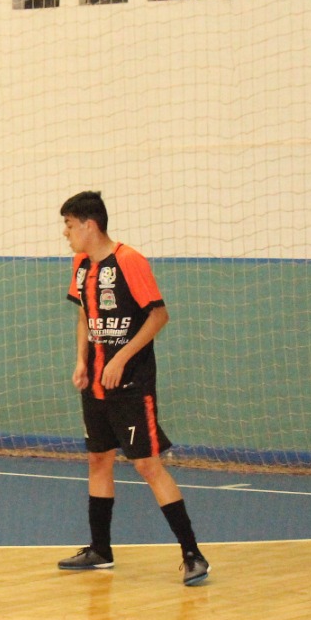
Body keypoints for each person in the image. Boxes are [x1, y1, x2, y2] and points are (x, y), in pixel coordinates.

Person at [56, 191, 210, 586]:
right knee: (98, 460)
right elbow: (85, 319)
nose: (66, 233)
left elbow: (159, 315)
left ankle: (192, 553)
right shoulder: (80, 265)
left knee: (146, 464)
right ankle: (100, 550)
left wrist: (120, 358)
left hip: (130, 383)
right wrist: (81, 360)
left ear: (90, 225)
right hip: (95, 383)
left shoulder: (129, 261)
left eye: (70, 225)